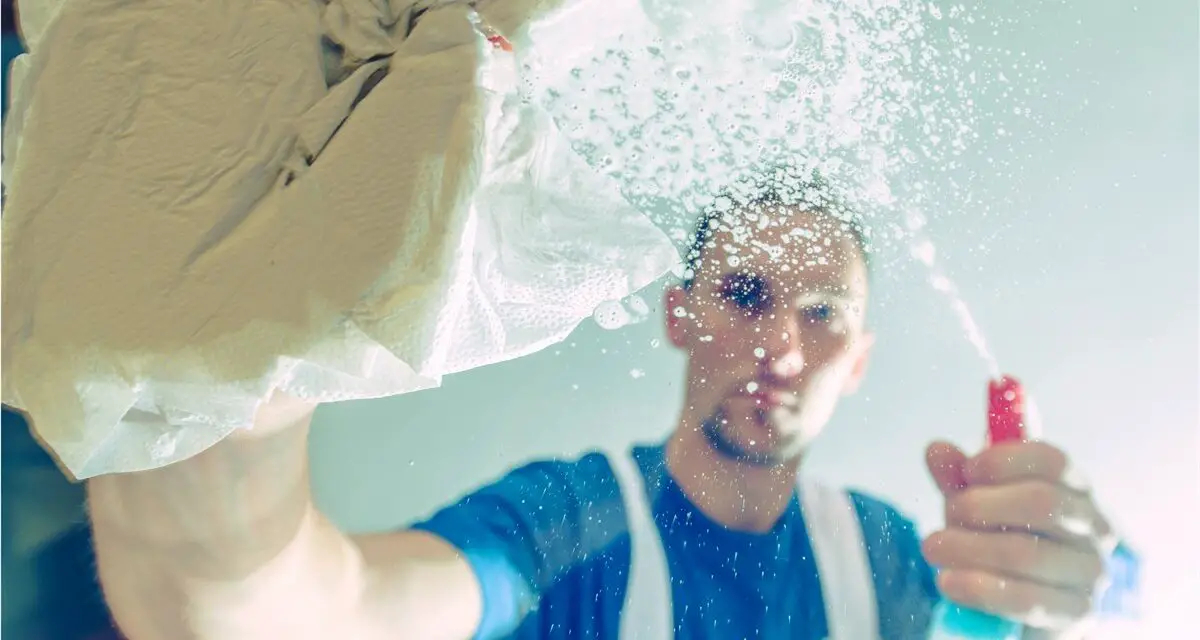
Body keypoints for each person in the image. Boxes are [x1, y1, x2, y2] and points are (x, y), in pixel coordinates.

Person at [84, 176, 1119, 640]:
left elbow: (1112, 605)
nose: (780, 347)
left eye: (822, 314)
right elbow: (307, 614)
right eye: (746, 296)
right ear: (679, 314)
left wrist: (1068, 589)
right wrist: (223, 359)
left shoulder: (896, 558)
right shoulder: (570, 528)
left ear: (858, 362)